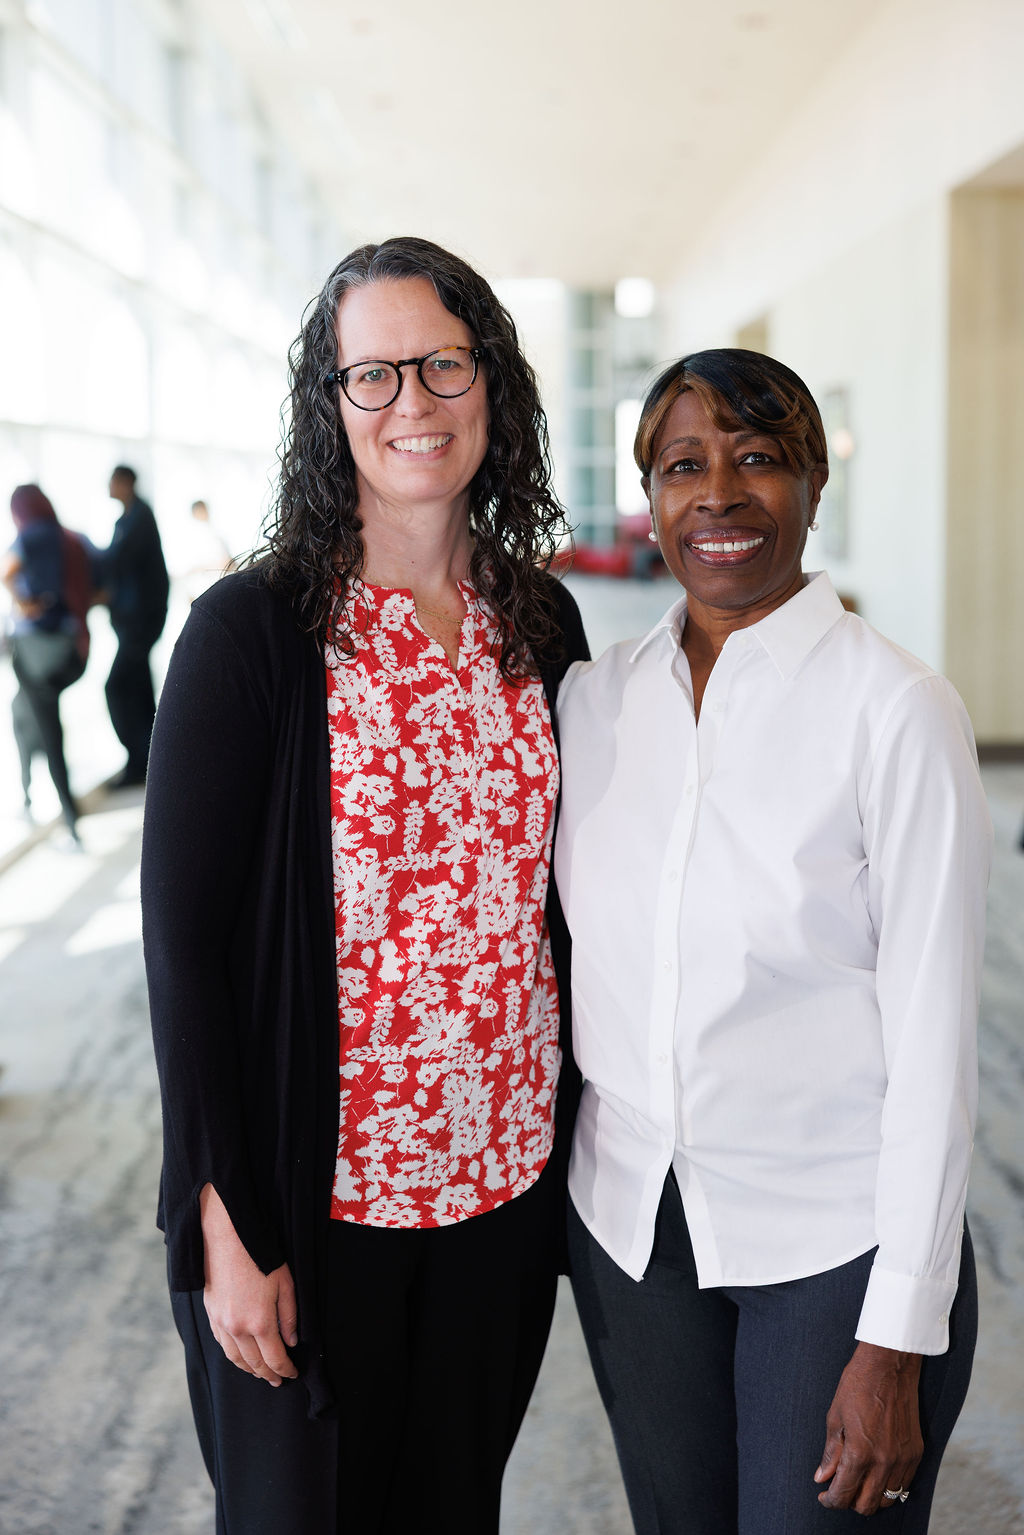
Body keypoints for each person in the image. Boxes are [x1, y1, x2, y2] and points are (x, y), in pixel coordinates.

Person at [141, 236, 588, 1535]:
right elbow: (185, 948)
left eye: (443, 364)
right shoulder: (257, 630)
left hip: (501, 1182)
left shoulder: (540, 621)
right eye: (374, 373)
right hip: (310, 1193)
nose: (413, 403)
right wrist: (221, 1216)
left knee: (453, 1508)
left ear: (491, 384)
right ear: (328, 404)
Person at [554, 349, 991, 1535]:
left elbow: (939, 1044)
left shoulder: (893, 709)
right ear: (650, 496)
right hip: (635, 1227)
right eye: (683, 465)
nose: (719, 494)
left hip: (832, 1239)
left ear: (810, 481)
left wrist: (898, 1331)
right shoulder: (596, 701)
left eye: (756, 458)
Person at [2, 484, 94, 841]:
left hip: (37, 652)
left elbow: (6, 571)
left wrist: (22, 603)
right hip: (73, 650)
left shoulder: (31, 536)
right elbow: (99, 588)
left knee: (46, 727)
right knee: (20, 713)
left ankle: (70, 820)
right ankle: (27, 797)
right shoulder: (73, 540)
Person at [103, 465, 169, 786]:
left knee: (116, 687)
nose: (108, 486)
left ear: (126, 482)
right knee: (140, 691)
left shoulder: (139, 519)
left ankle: (137, 761)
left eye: (113, 480)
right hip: (134, 622)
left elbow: (119, 561)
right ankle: (147, 761)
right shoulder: (128, 519)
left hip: (140, 623)